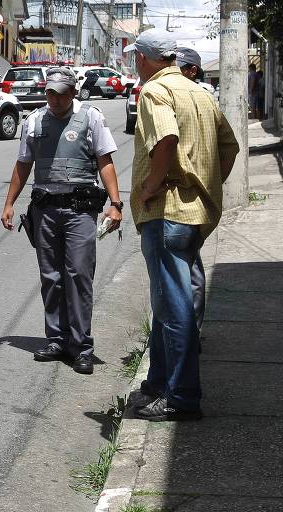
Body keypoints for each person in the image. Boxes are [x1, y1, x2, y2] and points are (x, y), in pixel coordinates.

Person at [124, 29, 239, 421]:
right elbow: (230, 146)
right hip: (194, 213)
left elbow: (166, 140)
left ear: (144, 58)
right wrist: (205, 183)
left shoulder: (156, 92)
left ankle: (182, 398)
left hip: (167, 211)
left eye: (135, 58)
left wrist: (150, 188)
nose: (134, 64)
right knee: (169, 303)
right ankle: (159, 384)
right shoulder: (199, 92)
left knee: (174, 310)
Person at [0, 66, 123, 375]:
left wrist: (116, 203)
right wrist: (9, 203)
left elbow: (105, 161)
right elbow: (23, 164)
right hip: (46, 211)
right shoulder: (34, 121)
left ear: (73, 92)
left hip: (80, 210)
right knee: (51, 278)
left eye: (61, 93)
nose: (55, 99)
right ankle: (56, 340)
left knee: (78, 275)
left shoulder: (91, 118)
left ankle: (82, 346)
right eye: (50, 93)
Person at [175, 47, 214, 334]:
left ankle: (189, 332)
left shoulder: (201, 96)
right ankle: (185, 331)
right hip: (182, 196)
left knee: (188, 268)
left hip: (189, 193)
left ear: (192, 71)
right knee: (185, 267)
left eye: (180, 67)